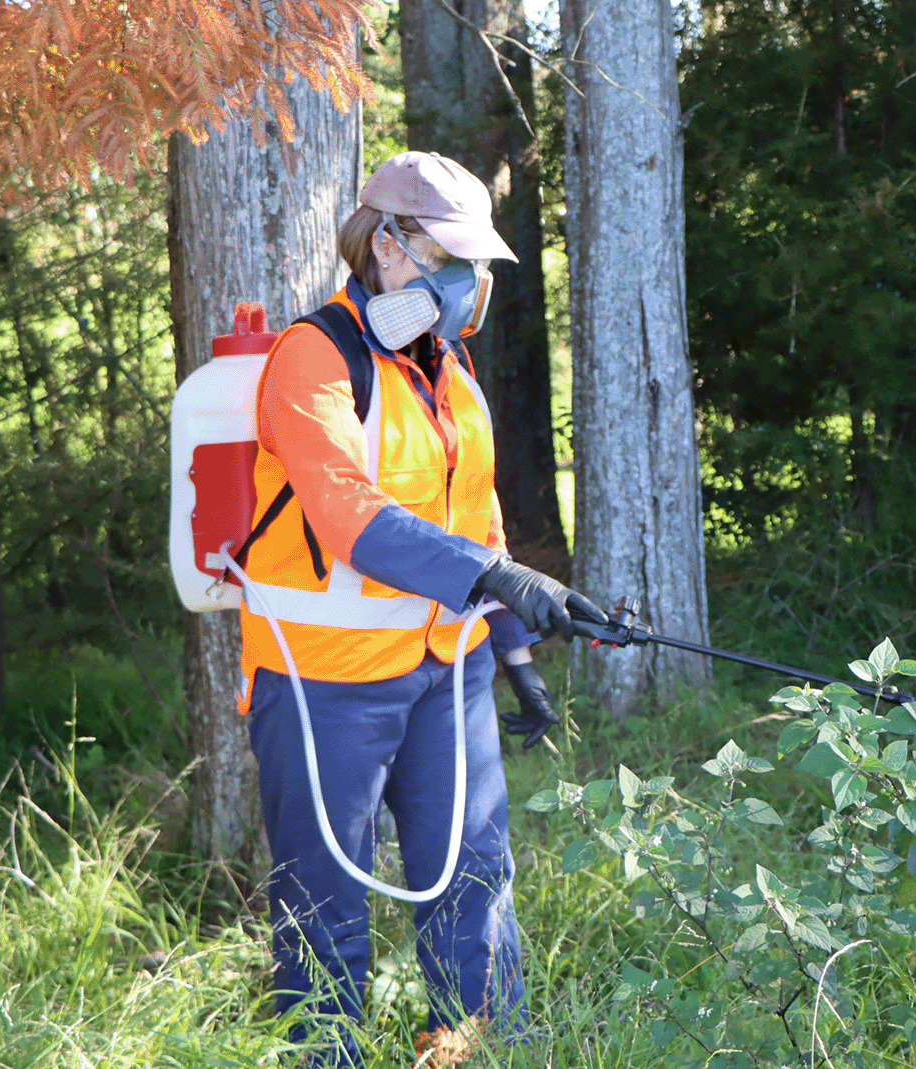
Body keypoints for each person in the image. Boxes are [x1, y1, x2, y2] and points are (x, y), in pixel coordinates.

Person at [236, 150, 605, 1065]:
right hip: (326, 685)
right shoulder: (310, 359)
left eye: (479, 264)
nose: (472, 282)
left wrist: (514, 655)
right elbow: (349, 513)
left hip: (451, 673)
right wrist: (492, 579)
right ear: (389, 248)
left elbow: (478, 519)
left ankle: (481, 1052)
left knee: (475, 884)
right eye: (452, 257)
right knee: (323, 906)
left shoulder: (451, 371)